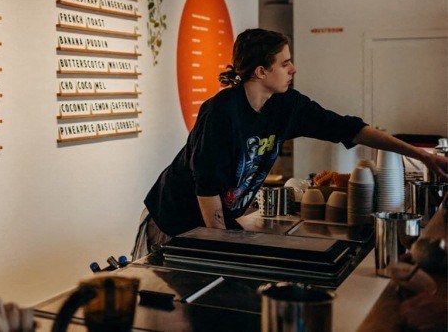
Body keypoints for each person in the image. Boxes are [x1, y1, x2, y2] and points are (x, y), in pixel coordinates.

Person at [133, 28, 448, 259]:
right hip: (175, 220)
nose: (293, 69)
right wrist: (224, 252)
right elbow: (207, 191)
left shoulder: (286, 105)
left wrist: (422, 157)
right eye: (285, 63)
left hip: (217, 221)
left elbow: (349, 128)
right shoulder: (221, 113)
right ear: (261, 71)